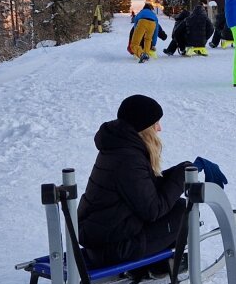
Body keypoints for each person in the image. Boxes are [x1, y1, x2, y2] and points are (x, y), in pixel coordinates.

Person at [77, 95, 189, 266]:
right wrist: (183, 175)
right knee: (183, 214)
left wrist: (185, 169)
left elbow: (144, 188)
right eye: (155, 124)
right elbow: (153, 209)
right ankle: (156, 264)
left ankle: (156, 261)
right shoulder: (129, 159)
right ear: (143, 127)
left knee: (177, 206)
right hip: (111, 248)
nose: (159, 128)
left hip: (103, 237)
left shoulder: (120, 147)